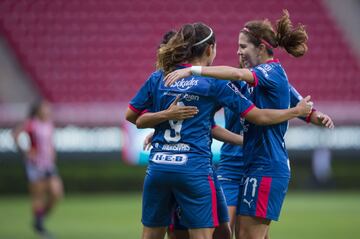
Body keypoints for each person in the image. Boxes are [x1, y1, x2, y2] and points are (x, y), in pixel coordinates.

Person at [125, 22, 312, 239]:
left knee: (164, 234)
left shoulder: (159, 77)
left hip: (158, 168)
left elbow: (134, 118)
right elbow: (258, 116)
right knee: (213, 234)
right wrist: (295, 111)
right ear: (209, 49)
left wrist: (162, 120)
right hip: (194, 172)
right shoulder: (214, 83)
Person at [163, 10, 329, 239]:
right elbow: (204, 114)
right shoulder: (238, 81)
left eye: (243, 46)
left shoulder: (267, 73)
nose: (237, 51)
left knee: (245, 232)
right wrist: (164, 128)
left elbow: (294, 102)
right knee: (228, 230)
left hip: (263, 163)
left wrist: (311, 114)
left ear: (260, 48)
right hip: (236, 162)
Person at [12, 100, 63, 238]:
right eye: (45, 108)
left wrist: (53, 154)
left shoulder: (49, 123)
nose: (47, 110)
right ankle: (40, 225)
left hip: (48, 164)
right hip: (35, 164)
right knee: (39, 196)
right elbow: (16, 134)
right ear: (38, 110)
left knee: (56, 193)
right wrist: (25, 151)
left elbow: (50, 143)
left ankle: (39, 220)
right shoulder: (31, 124)